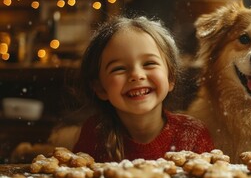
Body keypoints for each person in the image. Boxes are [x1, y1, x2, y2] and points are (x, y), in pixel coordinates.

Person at [72, 16, 214, 162]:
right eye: (119, 68)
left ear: (170, 77)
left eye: (149, 63)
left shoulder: (192, 134)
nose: (137, 75)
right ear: (100, 87)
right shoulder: (95, 134)